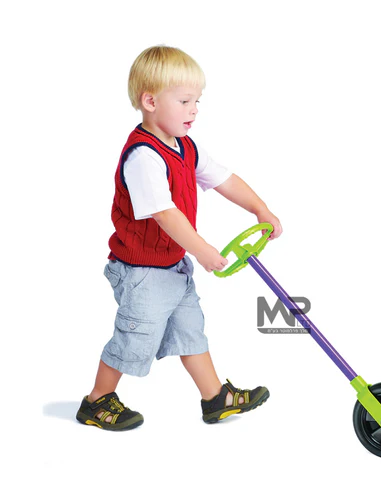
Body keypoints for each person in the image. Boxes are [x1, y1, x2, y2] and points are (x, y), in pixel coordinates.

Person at [76, 45, 283, 430]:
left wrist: (260, 209)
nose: (194, 110)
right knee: (135, 337)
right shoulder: (143, 157)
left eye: (197, 101)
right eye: (185, 101)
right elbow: (165, 213)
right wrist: (203, 250)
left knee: (190, 330)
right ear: (150, 101)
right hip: (141, 271)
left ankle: (215, 397)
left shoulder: (185, 146)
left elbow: (224, 179)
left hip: (173, 266)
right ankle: (96, 400)